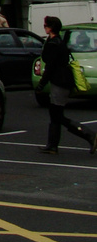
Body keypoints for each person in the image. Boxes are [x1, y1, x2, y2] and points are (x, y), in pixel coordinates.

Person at [39, 16, 96, 155]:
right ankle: (52, 146)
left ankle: (90, 135)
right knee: (55, 114)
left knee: (57, 115)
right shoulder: (58, 42)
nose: (44, 27)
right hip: (62, 81)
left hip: (60, 82)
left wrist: (42, 83)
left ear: (51, 28)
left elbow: (50, 65)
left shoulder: (54, 44)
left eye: (46, 25)